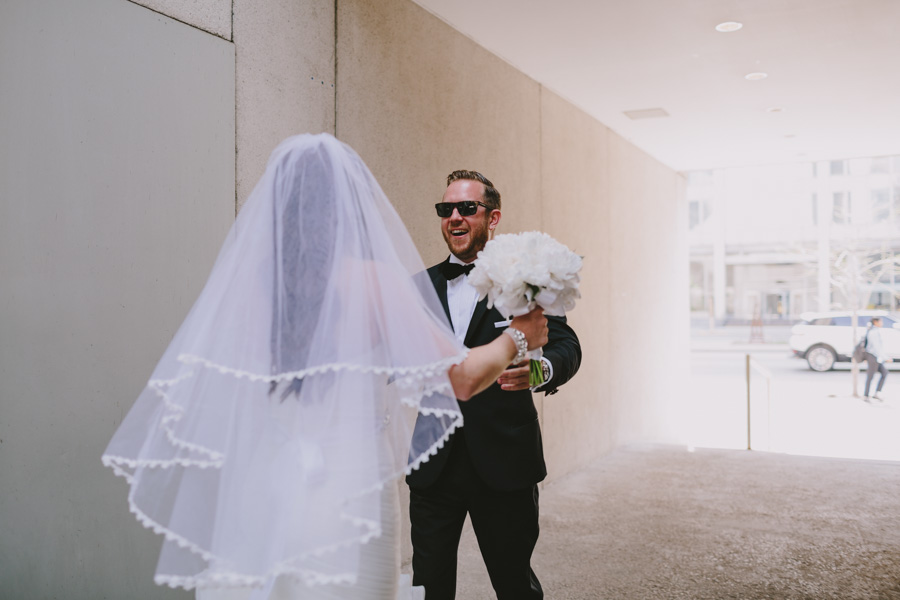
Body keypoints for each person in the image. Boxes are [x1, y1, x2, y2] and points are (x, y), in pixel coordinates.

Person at [102, 134, 548, 600]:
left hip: (268, 484)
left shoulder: (254, 288)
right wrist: (519, 336)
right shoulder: (373, 280)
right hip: (350, 487)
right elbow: (462, 377)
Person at [407, 170, 582, 599]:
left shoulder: (525, 282)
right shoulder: (419, 286)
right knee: (428, 586)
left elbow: (566, 346)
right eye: (445, 210)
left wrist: (539, 371)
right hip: (434, 463)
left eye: (467, 208)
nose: (455, 217)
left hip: (505, 462)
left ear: (493, 216)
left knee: (513, 584)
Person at [863, 316, 891, 402]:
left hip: (876, 357)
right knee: (870, 376)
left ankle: (877, 393)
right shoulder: (873, 332)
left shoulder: (874, 331)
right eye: (880, 321)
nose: (882, 323)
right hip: (872, 356)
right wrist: (885, 358)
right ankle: (866, 395)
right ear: (875, 322)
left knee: (884, 372)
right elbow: (876, 347)